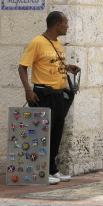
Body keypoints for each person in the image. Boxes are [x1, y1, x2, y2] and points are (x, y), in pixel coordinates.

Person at [18, 11, 81, 185]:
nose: (68, 26)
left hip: (58, 94)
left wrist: (67, 67)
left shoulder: (57, 42)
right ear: (57, 24)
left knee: (56, 133)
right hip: (43, 94)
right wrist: (28, 91)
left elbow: (51, 64)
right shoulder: (37, 42)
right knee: (42, 134)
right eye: (66, 23)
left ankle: (52, 169)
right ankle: (40, 171)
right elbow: (22, 67)